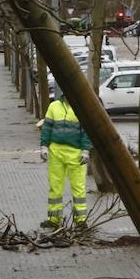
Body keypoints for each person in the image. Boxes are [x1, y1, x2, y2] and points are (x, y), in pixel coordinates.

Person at [39, 84, 91, 228]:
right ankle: (53, 219)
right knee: (55, 186)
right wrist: (44, 146)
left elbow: (86, 132)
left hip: (76, 154)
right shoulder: (54, 106)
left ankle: (80, 220)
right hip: (56, 152)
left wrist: (85, 150)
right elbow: (47, 128)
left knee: (78, 187)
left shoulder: (81, 108)